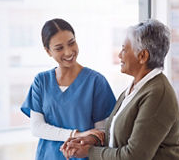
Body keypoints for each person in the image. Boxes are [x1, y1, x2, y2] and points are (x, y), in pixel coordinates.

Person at [61, 19, 179, 160]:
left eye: (124, 49)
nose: (119, 55)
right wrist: (92, 140)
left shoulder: (157, 94)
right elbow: (116, 134)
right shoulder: (135, 89)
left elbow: (134, 156)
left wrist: (90, 152)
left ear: (142, 56)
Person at [20, 18, 116, 160]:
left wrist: (84, 139)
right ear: (48, 51)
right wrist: (74, 134)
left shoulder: (96, 82)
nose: (69, 52)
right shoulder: (41, 81)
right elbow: (37, 127)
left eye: (72, 43)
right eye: (59, 48)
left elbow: (101, 133)